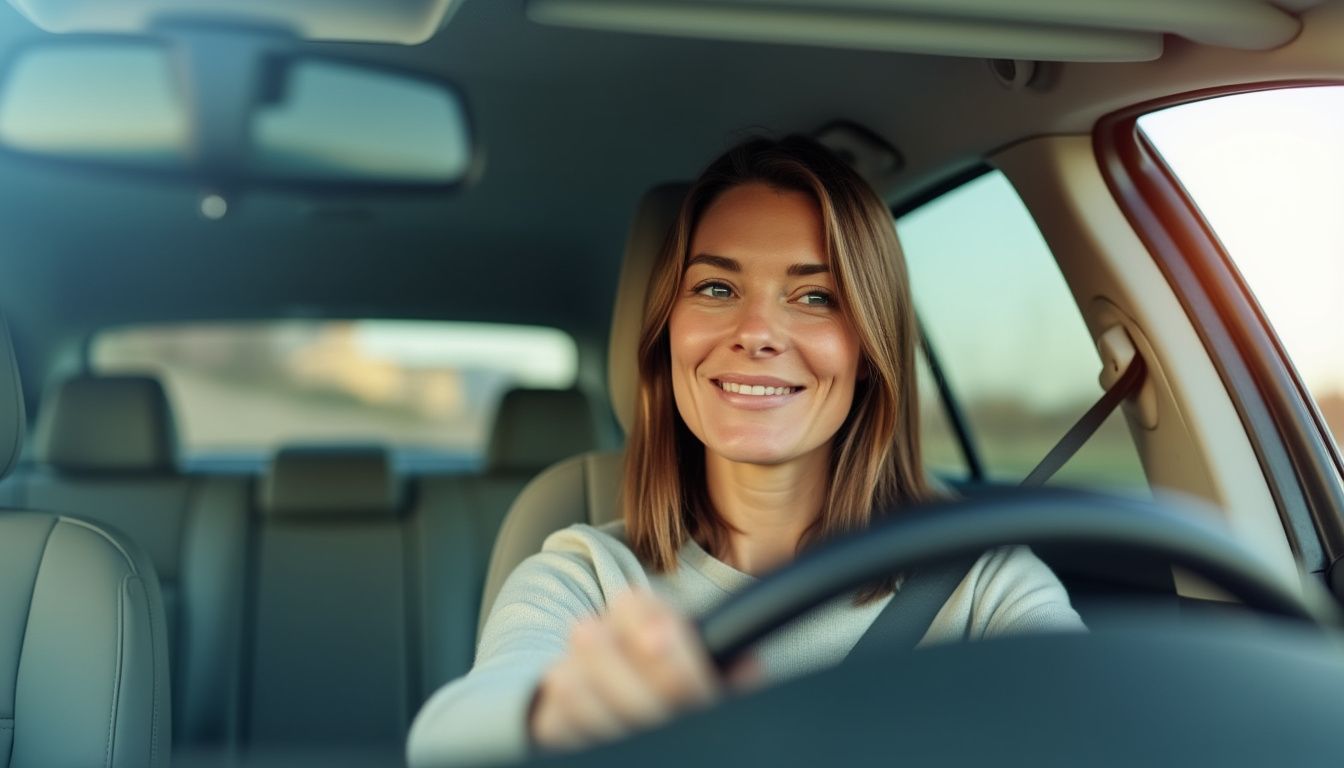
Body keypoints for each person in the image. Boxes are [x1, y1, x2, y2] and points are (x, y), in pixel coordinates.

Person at [406, 135, 1083, 766]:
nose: (757, 332)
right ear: (667, 332)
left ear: (870, 351)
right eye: (716, 288)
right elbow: (451, 736)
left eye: (815, 296)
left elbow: (1096, 721)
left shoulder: (980, 582)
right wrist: (557, 715)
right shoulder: (588, 578)